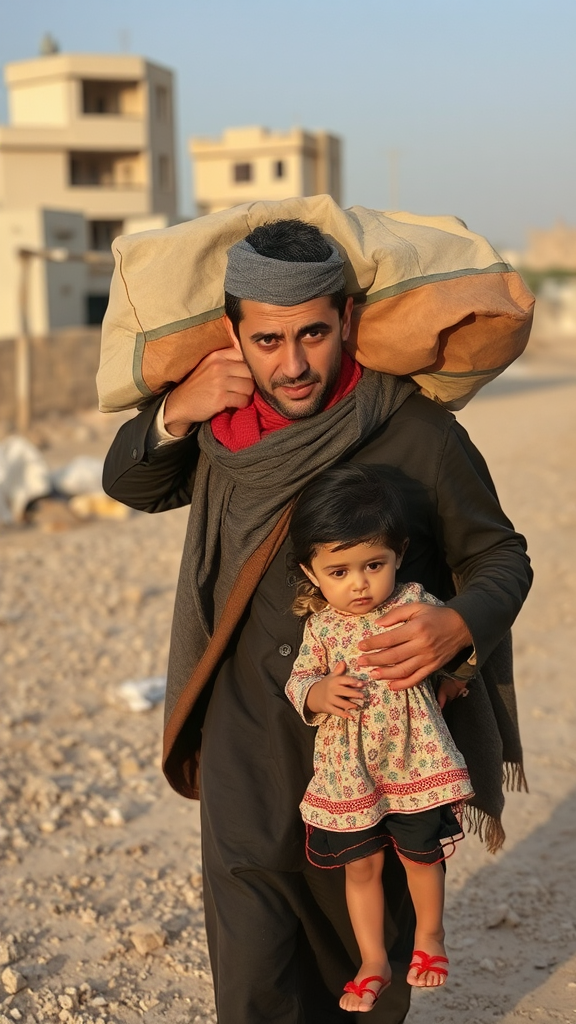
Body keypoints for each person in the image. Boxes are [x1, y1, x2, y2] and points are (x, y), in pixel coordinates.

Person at [103, 218, 532, 1024]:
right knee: (252, 947)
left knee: (359, 958)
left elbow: (502, 556)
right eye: (267, 341)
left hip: (383, 737)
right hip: (246, 725)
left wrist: (456, 628)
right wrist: (176, 413)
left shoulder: (415, 431)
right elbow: (133, 484)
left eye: (312, 334)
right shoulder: (222, 431)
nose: (292, 364)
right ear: (234, 335)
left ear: (346, 323)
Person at [285, 463, 475, 1013]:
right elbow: (300, 678)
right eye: (339, 571)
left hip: (413, 760)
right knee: (361, 865)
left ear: (399, 555)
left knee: (420, 856)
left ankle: (430, 938)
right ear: (312, 572)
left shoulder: (415, 604)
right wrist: (319, 694)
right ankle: (372, 961)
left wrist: (453, 681)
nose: (359, 583)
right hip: (351, 768)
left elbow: (458, 652)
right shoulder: (320, 627)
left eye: (373, 565)